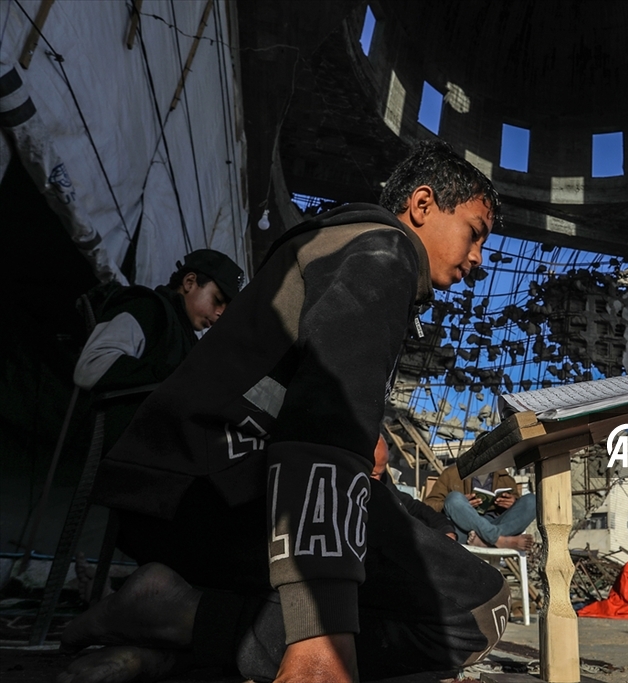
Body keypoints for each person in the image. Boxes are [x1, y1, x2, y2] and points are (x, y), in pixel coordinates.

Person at [59, 141, 510, 683]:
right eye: (475, 233)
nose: (479, 258)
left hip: (176, 496)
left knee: (407, 561)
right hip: (217, 496)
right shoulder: (384, 251)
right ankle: (181, 617)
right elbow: (324, 431)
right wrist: (322, 630)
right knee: (477, 610)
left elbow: (320, 415)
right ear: (422, 204)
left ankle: (178, 634)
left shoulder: (336, 245)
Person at [71, 250, 242, 599]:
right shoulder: (147, 308)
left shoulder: (186, 338)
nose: (220, 313)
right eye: (218, 300)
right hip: (139, 464)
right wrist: (176, 382)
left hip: (168, 464)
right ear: (190, 282)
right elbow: (91, 367)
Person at [424, 463, 536, 551]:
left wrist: (512, 503)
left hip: (497, 524)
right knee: (454, 498)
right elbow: (428, 505)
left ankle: (483, 541)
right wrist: (462, 504)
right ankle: (496, 539)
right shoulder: (452, 473)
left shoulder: (506, 478)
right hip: (464, 529)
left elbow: (517, 513)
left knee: (532, 501)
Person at [371, 435, 456, 539]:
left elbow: (411, 506)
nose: (377, 479)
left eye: (381, 473)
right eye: (373, 474)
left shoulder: (382, 482)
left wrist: (445, 528)